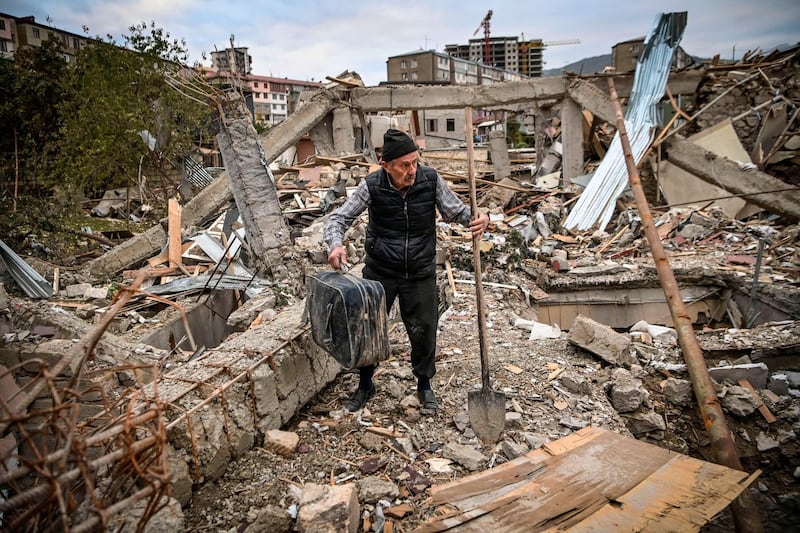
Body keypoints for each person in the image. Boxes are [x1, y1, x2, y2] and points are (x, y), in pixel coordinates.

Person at [323, 128, 490, 413]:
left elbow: (457, 212)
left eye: (415, 162)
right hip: (381, 272)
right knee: (368, 328)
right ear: (385, 165)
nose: (412, 170)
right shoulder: (372, 185)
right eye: (404, 165)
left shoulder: (430, 180)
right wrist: (335, 245)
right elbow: (339, 217)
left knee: (424, 329)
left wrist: (479, 218)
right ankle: (365, 384)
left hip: (420, 269)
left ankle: (424, 385)